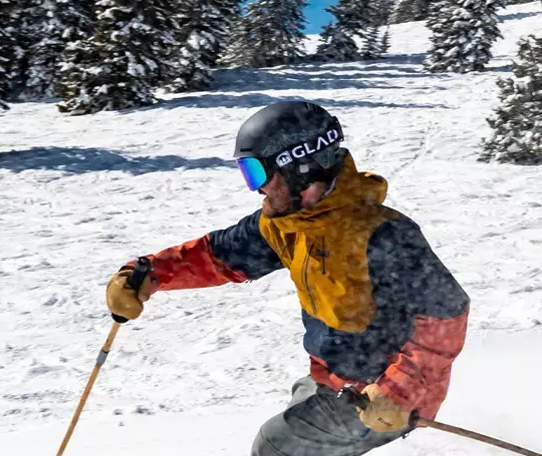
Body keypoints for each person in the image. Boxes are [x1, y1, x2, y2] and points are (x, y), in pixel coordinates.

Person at [104, 101, 470, 456]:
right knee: (301, 405)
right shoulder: (287, 225)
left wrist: (397, 391)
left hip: (388, 399)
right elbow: (218, 255)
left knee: (276, 447)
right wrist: (149, 273)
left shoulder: (381, 234)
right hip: (334, 381)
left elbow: (447, 315)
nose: (256, 188)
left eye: (257, 173)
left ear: (301, 168)